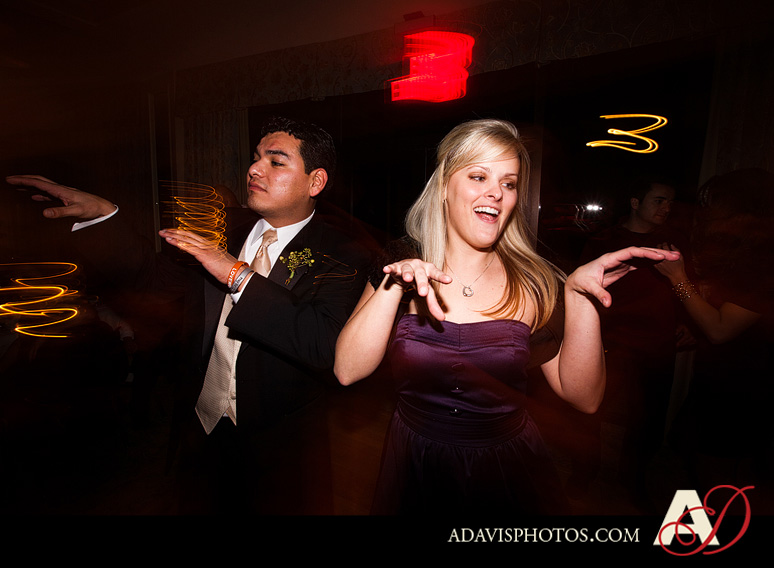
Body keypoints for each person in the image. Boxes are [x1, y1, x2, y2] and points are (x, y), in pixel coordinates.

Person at [6, 116, 374, 515]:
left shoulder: (343, 253)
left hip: (282, 444)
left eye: (276, 161)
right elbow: (153, 280)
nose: (254, 168)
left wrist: (236, 274)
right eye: (256, 157)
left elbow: (324, 345)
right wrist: (103, 216)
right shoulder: (219, 229)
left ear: (315, 182)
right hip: (202, 429)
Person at [333, 119, 679, 515]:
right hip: (414, 461)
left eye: (509, 183)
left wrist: (581, 298)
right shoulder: (400, 264)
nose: (496, 193)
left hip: (504, 467)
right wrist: (392, 287)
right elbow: (347, 370)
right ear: (444, 185)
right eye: (479, 176)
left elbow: (585, 399)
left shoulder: (536, 281)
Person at [564, 178, 689, 511]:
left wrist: (685, 322)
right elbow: (583, 291)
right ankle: (583, 471)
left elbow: (684, 287)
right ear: (636, 202)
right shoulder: (605, 242)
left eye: (670, 202)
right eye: (659, 200)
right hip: (612, 344)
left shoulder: (674, 242)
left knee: (647, 422)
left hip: (657, 345)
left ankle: (633, 480)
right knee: (588, 413)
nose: (667, 208)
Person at [655, 169, 774, 506]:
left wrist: (678, 279)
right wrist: (698, 322)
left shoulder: (763, 261)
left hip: (741, 389)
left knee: (716, 476)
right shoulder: (745, 253)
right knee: (695, 461)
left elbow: (720, 330)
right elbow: (732, 319)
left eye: (715, 204)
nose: (707, 213)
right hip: (724, 381)